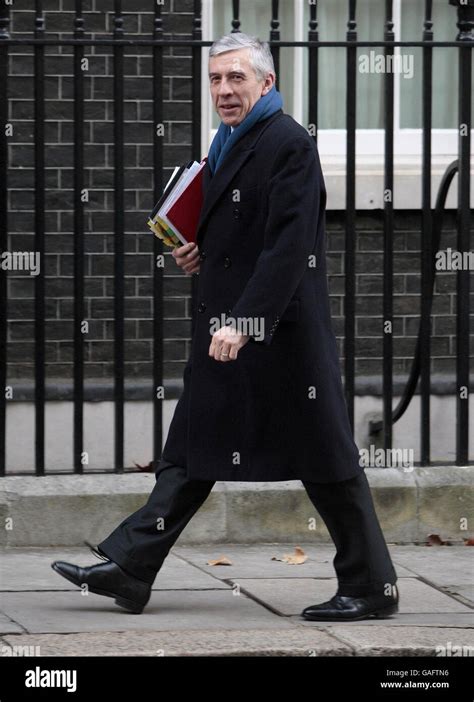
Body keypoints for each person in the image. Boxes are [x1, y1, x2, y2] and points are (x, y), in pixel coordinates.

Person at [52, 32, 399, 621]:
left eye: (236, 78)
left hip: (277, 336)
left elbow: (288, 248)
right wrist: (197, 252)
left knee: (328, 459)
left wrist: (246, 320)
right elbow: (240, 232)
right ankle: (132, 567)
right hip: (227, 330)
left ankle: (371, 587)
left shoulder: (287, 142)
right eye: (215, 79)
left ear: (266, 82)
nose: (223, 90)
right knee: (190, 450)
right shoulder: (227, 142)